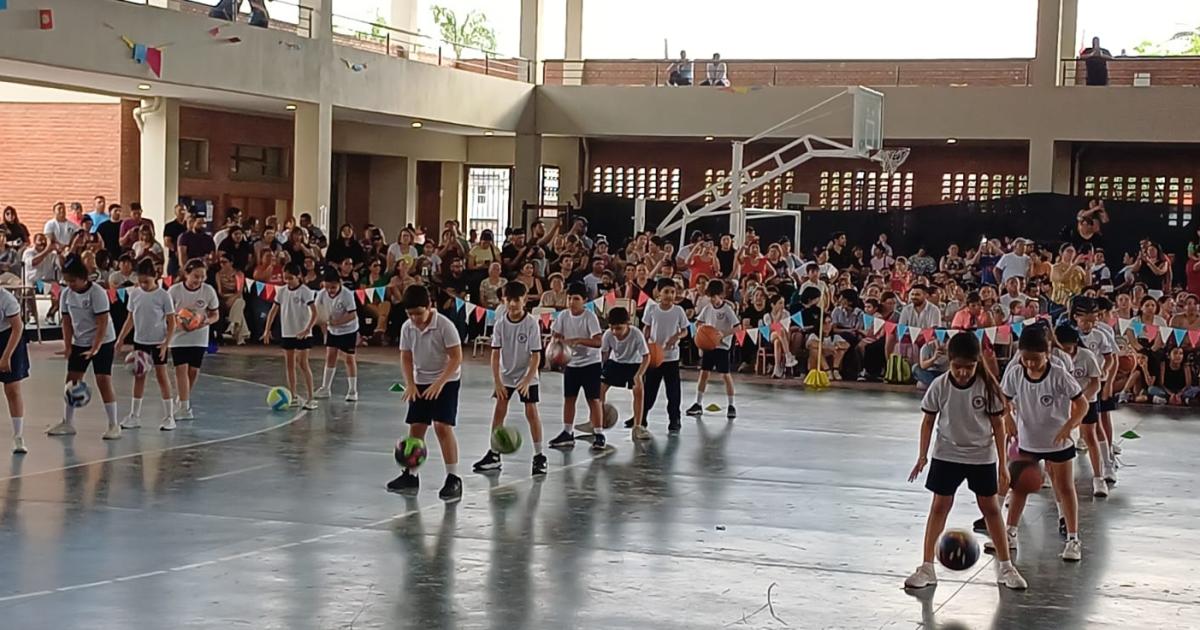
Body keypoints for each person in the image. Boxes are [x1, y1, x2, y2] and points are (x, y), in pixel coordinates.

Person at [904, 332, 1026, 590]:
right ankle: (927, 567)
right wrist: (923, 455)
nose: (962, 372)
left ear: (977, 363)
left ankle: (1006, 567)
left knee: (990, 508)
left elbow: (998, 426)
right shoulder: (940, 385)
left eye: (968, 367)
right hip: (947, 454)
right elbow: (928, 421)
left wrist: (1002, 464)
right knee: (939, 506)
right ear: (949, 362)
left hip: (980, 456)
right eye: (957, 367)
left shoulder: (987, 387)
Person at [996, 326, 1088, 562]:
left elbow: (1083, 404)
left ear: (1047, 353)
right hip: (1028, 441)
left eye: (1035, 359)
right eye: (1025, 359)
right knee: (1019, 488)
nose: (1030, 364)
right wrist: (1008, 418)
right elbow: (1003, 399)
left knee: (1065, 487)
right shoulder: (1016, 373)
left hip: (1058, 442)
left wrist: (1070, 425)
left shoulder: (1059, 374)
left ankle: (1073, 539)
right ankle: (1010, 532)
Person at [387, 284, 464, 501]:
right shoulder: (407, 328)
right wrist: (410, 384)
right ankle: (411, 475)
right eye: (410, 314)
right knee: (416, 427)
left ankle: (453, 478)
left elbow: (456, 357)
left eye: (418, 313)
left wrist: (440, 383)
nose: (415, 319)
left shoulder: (445, 326)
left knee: (442, 426)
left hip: (446, 379)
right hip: (421, 380)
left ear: (429, 306)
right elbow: (406, 357)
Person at [473, 282, 546, 475]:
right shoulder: (500, 324)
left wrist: (527, 380)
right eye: (509, 300)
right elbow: (495, 354)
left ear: (524, 300)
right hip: (506, 374)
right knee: (499, 410)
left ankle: (539, 456)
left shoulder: (531, 323)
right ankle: (494, 453)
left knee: (531, 412)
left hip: (527, 373)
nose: (513, 304)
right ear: (503, 301)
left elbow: (536, 356)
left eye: (517, 300)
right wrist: (497, 381)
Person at [47, 258, 120, 440]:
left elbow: (102, 322)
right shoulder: (66, 294)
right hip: (80, 341)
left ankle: (113, 424)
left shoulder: (97, 293)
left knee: (103, 379)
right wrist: (67, 346)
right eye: (67, 281)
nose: (69, 284)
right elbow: (66, 322)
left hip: (103, 341)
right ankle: (68, 423)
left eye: (73, 281)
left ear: (83, 278)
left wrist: (95, 347)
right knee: (71, 381)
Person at [116, 260, 177, 431]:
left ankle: (169, 416)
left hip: (158, 342)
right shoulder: (135, 294)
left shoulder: (163, 296)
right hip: (140, 340)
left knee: (162, 376)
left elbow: (172, 322)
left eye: (147, 282)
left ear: (155, 277)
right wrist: (121, 338)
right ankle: (134, 415)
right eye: (140, 281)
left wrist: (166, 343)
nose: (143, 285)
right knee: (139, 377)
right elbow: (130, 318)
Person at [547, 282, 606, 451]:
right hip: (571, 363)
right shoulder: (563, 316)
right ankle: (567, 432)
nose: (572, 302)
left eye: (576, 299)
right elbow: (556, 334)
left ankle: (599, 433)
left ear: (584, 300)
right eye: (570, 298)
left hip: (590, 364)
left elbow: (598, 341)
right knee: (569, 398)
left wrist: (578, 340)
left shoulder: (589, 317)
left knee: (593, 399)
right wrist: (556, 345)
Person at [1054, 324, 1106, 499]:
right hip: (1062, 402)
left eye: (1068, 348)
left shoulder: (1087, 356)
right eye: (1062, 348)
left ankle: (1099, 477)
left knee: (1089, 435)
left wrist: (1081, 399)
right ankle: (1052, 474)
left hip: (1086, 399)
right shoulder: (1055, 357)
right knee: (1057, 437)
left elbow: (1095, 383)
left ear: (1076, 343)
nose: (1066, 352)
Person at [262, 263, 319, 411]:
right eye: (285, 278)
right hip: (287, 332)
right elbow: (273, 311)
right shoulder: (281, 291)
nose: (287, 281)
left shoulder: (305, 291)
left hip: (302, 333)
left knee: (303, 363)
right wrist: (267, 329)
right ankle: (293, 396)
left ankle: (311, 397)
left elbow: (314, 312)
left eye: (290, 278)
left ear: (298, 276)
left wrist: (308, 329)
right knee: (289, 364)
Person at [168, 258, 219, 420]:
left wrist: (205, 321)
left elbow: (215, 314)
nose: (199, 280)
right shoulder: (174, 291)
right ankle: (185, 408)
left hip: (199, 336)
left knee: (193, 371)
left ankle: (183, 398)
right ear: (186, 274)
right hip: (178, 336)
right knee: (181, 369)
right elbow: (167, 313)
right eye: (196, 276)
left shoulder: (208, 291)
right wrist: (178, 322)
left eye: (202, 277)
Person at [639, 278, 688, 434]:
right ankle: (641, 417)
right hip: (654, 357)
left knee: (673, 392)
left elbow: (685, 330)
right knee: (649, 390)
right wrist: (645, 344)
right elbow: (647, 328)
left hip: (671, 357)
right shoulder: (652, 309)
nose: (669, 295)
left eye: (672, 292)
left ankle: (675, 419)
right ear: (658, 293)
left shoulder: (678, 311)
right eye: (666, 291)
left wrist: (676, 337)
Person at [686, 279, 739, 419]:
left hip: (722, 347)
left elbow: (737, 327)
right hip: (709, 346)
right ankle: (698, 403)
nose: (713, 300)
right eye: (711, 297)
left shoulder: (727, 310)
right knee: (704, 373)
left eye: (715, 296)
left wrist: (724, 334)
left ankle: (731, 405)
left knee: (725, 375)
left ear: (722, 295)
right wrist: (701, 331)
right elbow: (698, 322)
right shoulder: (707, 308)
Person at [600, 307, 652, 440]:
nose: (614, 332)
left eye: (618, 328)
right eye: (612, 328)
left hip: (634, 364)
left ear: (628, 324)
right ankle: (597, 420)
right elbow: (604, 355)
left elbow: (647, 356)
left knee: (638, 390)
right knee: (599, 389)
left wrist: (639, 375)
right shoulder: (608, 335)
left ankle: (637, 426)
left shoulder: (636, 334)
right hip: (615, 363)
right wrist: (599, 370)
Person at [315, 268, 360, 402]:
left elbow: (352, 314)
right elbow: (318, 312)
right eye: (327, 287)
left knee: (349, 359)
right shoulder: (321, 294)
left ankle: (353, 390)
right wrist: (324, 329)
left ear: (339, 283)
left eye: (333, 287)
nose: (330, 290)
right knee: (330, 356)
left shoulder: (347, 295)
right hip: (332, 330)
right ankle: (325, 388)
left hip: (348, 330)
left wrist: (337, 322)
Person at [0, 287, 29, 454]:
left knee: (12, 389)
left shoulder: (6, 298)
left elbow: (18, 327)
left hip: (10, 339)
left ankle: (18, 436)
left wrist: (6, 357)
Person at [162, 204, 189, 278]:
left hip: (188, 257)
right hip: (174, 257)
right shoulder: (169, 226)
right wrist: (177, 251)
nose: (182, 212)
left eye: (184, 210)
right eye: (180, 210)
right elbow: (167, 242)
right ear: (175, 212)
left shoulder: (188, 226)